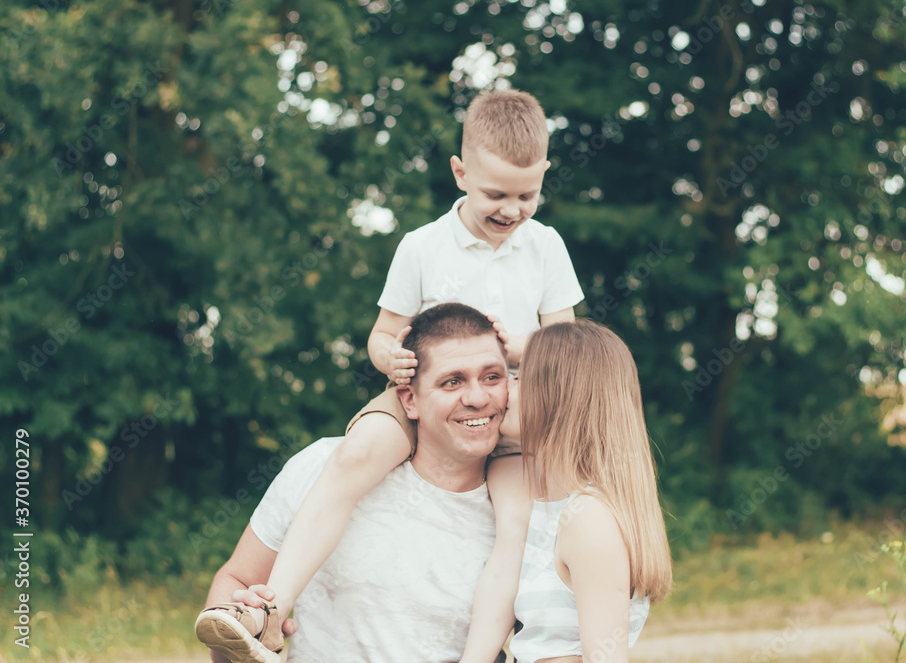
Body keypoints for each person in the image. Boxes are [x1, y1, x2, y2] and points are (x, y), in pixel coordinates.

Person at [196, 88, 584, 661]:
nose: (512, 209)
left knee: (523, 520)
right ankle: (272, 609)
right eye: (495, 194)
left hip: (515, 399)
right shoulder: (422, 246)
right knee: (353, 456)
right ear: (460, 172)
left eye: (527, 194)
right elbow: (383, 334)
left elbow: (566, 347)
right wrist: (390, 360)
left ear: (545, 176)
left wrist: (516, 345)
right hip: (418, 394)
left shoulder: (546, 246)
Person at [197, 304, 510, 662]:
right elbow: (237, 580)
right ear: (410, 400)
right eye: (452, 382)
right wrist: (240, 629)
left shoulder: (523, 512)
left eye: (492, 377)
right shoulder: (323, 467)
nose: (477, 398)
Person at [497, 320, 672, 662]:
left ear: (557, 399)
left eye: (518, 377)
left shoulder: (588, 520)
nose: (504, 388)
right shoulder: (556, 506)